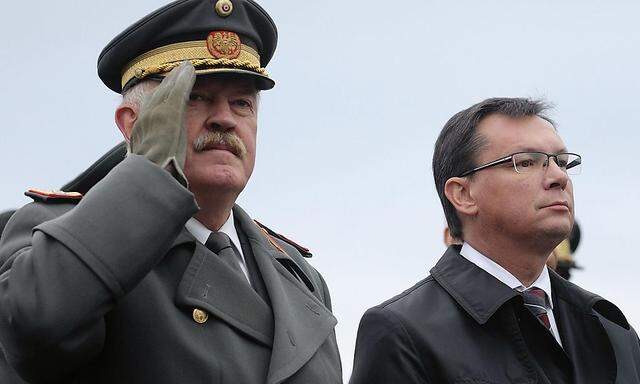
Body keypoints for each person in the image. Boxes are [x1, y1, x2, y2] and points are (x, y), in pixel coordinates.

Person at [0, 1, 342, 383]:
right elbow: (33, 327)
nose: (225, 118)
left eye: (241, 103)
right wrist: (146, 173)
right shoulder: (61, 234)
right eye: (195, 96)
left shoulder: (299, 275)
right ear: (133, 124)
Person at [350, 98, 640, 383]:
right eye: (526, 162)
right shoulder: (403, 332)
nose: (558, 177)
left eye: (562, 163)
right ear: (463, 194)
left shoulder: (611, 328)